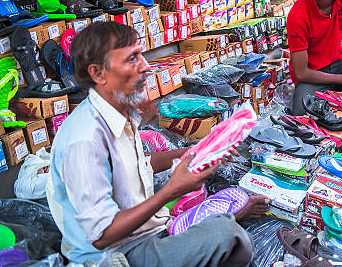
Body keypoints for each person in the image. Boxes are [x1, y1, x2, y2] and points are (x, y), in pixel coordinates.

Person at [46, 22, 269, 266]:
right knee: (231, 236)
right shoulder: (85, 139)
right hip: (114, 254)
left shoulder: (117, 113)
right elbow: (100, 236)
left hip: (146, 230)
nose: (146, 66)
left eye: (141, 54)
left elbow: (137, 164)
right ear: (98, 74)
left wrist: (198, 150)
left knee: (229, 220)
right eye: (132, 59)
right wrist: (171, 190)